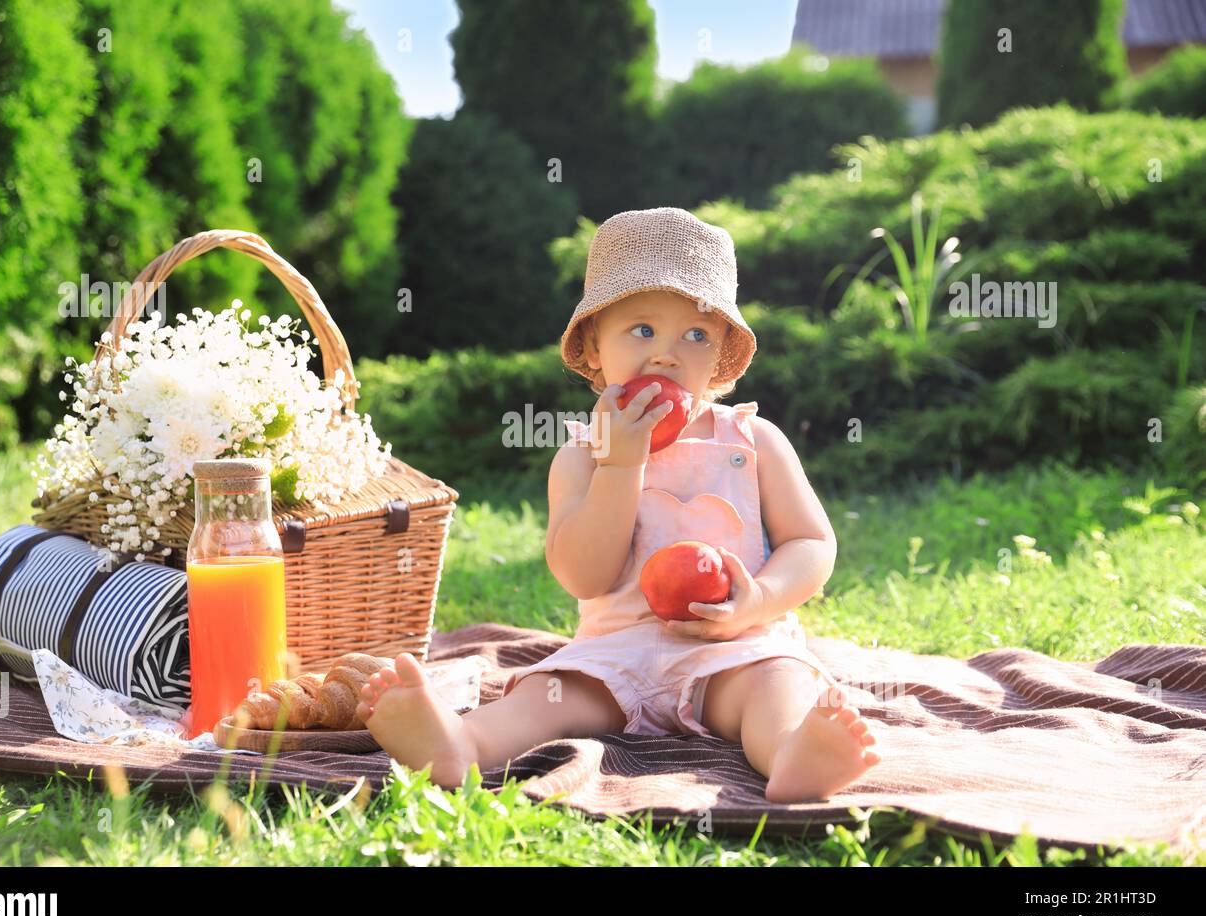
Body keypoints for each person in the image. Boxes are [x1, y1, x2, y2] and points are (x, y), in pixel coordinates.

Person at [357, 207, 880, 804]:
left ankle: (795, 755)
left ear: (721, 356)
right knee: (545, 696)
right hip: (614, 661)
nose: (666, 354)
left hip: (732, 649)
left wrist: (755, 601)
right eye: (642, 330)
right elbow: (585, 574)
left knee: (776, 685)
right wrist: (620, 464)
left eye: (696, 334)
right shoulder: (581, 458)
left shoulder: (753, 442)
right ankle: (459, 744)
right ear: (594, 347)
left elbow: (811, 543)